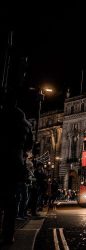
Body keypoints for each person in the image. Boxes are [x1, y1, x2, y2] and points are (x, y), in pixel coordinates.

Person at [0, 91, 33, 246]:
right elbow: (29, 145)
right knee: (11, 200)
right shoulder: (24, 122)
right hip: (14, 161)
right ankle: (8, 234)